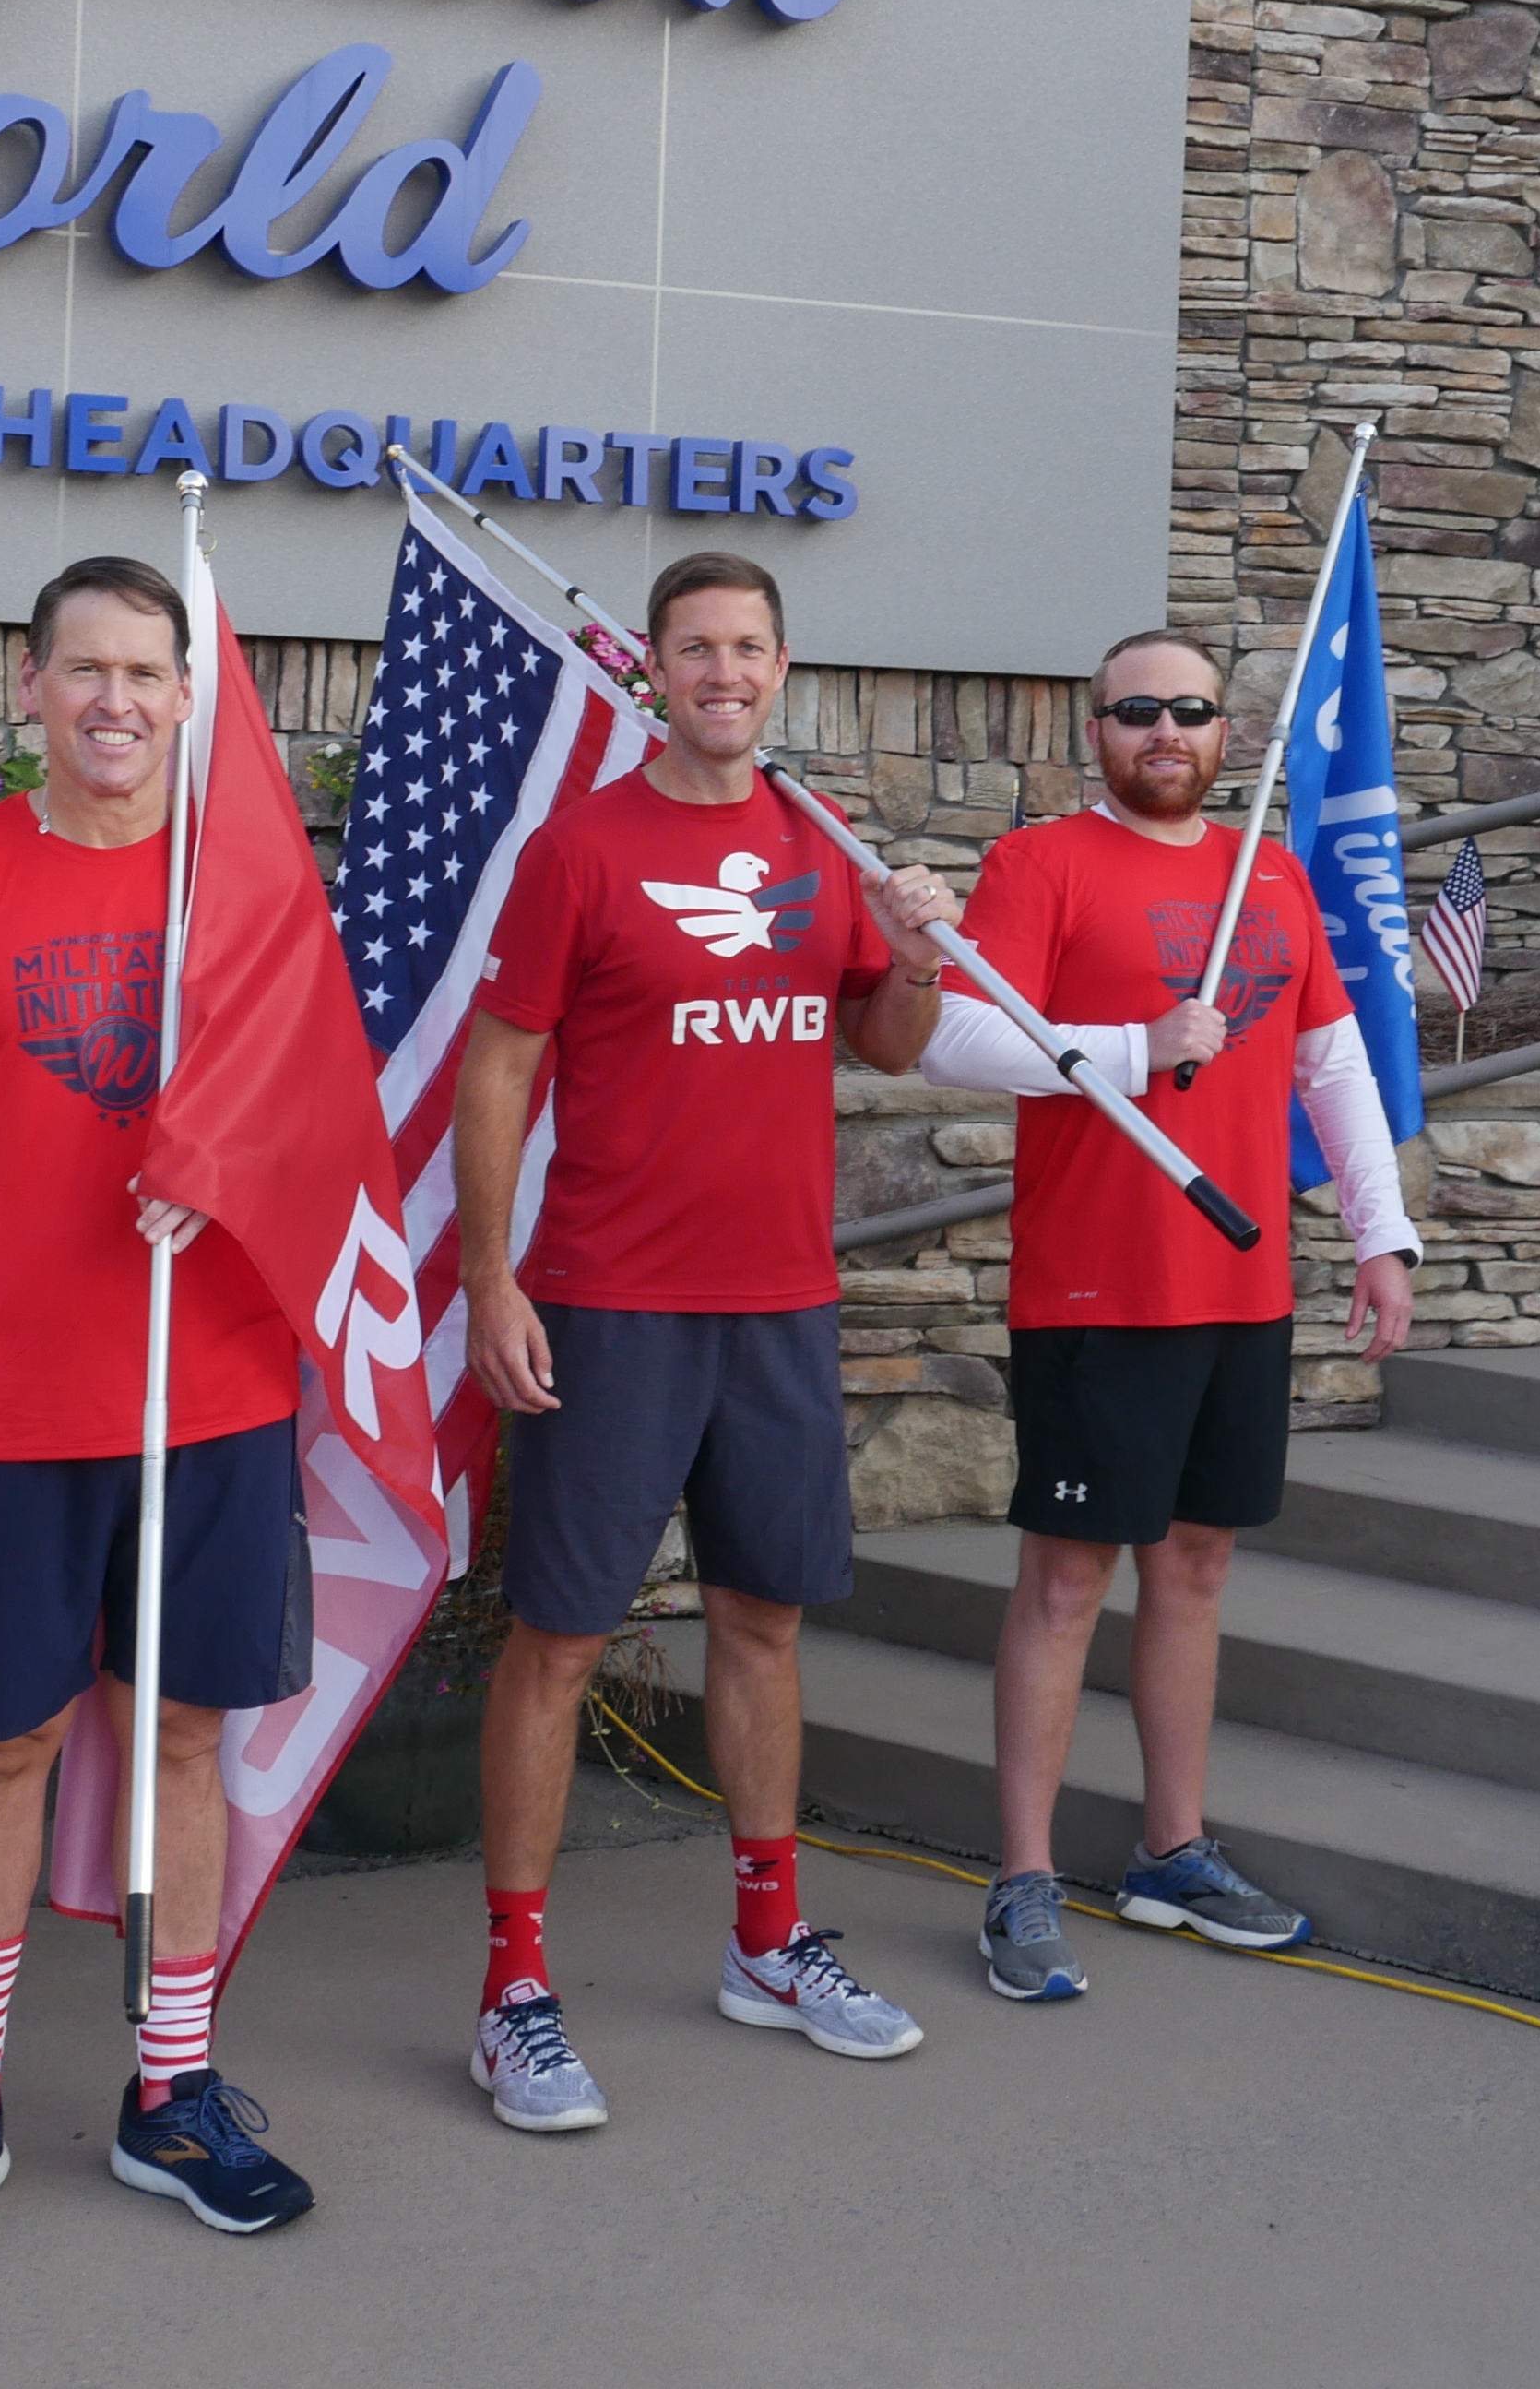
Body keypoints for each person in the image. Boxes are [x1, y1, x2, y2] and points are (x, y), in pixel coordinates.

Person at [0, 553, 319, 2258]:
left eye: (148, 672)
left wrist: (229, 1164)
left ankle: (168, 2094)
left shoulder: (247, 887)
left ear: (191, 696)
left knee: (189, 1735)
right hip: (9, 1394)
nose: (117, 700)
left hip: (218, 1383)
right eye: (84, 668)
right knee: (6, 1742)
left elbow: (325, 1118)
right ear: (29, 685)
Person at [451, 549, 963, 2132]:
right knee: (560, 1640)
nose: (722, 672)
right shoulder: (584, 850)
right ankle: (514, 1990)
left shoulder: (822, 847)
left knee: (763, 1624)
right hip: (611, 1299)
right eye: (695, 647)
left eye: (747, 647)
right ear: (650, 670)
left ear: (781, 666)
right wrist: (489, 1278)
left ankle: (766, 1939)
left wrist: (919, 942)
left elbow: (882, 1038)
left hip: (779, 1304)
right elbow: (495, 1071)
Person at [915, 628, 1417, 2003]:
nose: (1163, 733)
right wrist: (1134, 1053)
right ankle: (1020, 1880)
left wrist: (1383, 1233)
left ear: (1221, 734)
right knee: (1070, 1580)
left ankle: (1172, 1852)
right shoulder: (1042, 865)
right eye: (1135, 712)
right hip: (1097, 1287)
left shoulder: (1272, 871)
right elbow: (956, 1036)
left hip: (1239, 1283)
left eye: (1188, 712)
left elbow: (1331, 1061)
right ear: (1099, 731)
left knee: (1195, 1567)